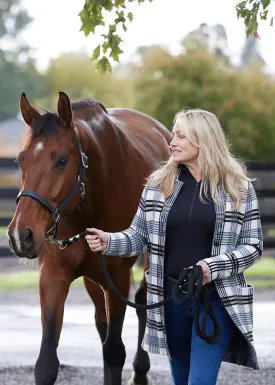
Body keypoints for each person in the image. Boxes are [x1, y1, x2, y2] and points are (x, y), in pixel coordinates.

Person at [85, 108, 263, 385]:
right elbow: (138, 237)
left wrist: (211, 267)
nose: (172, 141)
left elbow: (253, 245)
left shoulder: (237, 188)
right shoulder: (158, 185)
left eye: (180, 136)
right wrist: (109, 240)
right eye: (174, 134)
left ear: (202, 140)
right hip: (170, 301)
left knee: (199, 381)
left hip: (216, 300)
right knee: (181, 380)